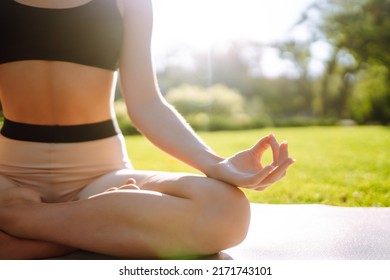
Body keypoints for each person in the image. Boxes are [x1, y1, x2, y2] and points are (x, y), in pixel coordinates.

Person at [0, 0, 295, 259]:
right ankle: (94, 227)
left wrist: (216, 163)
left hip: (99, 176)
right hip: (9, 176)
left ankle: (19, 222)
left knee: (227, 213)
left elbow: (146, 104)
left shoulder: (130, 2)